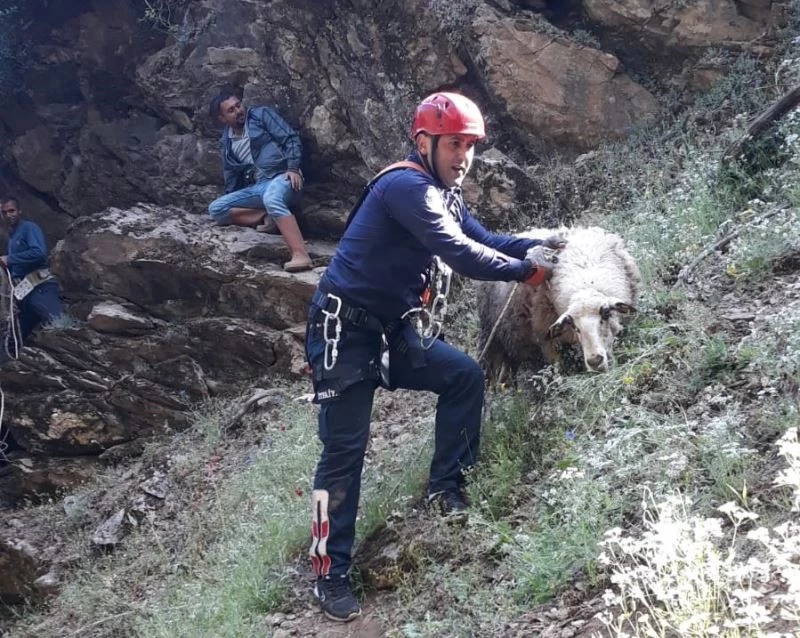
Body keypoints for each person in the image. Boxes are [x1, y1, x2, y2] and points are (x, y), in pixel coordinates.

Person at [304, 92, 565, 622]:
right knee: (343, 453)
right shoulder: (408, 187)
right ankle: (327, 572)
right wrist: (525, 271)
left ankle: (446, 489)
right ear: (424, 143)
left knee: (464, 376)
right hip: (343, 334)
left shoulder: (446, 194)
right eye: (454, 144)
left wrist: (543, 244)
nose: (463, 156)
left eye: (470, 146)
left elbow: (484, 237)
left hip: (390, 330)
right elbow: (458, 251)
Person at [207, 86, 313, 272]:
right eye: (231, 110)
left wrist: (293, 168)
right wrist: (237, 199)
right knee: (216, 209)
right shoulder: (226, 142)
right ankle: (266, 216)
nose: (238, 111)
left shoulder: (260, 115)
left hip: (284, 177)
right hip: (260, 185)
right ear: (222, 119)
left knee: (272, 198)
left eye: (238, 105)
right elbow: (231, 174)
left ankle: (300, 255)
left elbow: (290, 139)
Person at [0, 197, 63, 353]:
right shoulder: (12, 238)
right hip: (25, 294)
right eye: (4, 212)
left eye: (11, 210)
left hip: (41, 286)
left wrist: (9, 259)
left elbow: (39, 253)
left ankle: (80, 348)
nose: (8, 215)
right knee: (13, 336)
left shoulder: (28, 228)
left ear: (19, 211)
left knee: (58, 323)